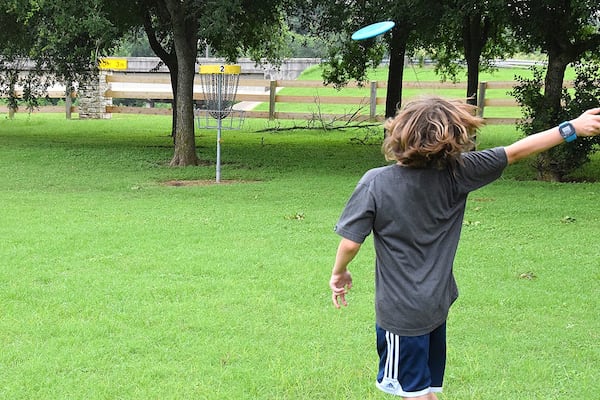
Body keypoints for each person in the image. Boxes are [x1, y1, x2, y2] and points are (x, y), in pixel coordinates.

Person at [329, 96, 600, 400]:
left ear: (399, 132)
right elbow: (515, 152)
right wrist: (572, 127)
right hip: (437, 304)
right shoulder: (460, 172)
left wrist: (339, 273)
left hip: (402, 315)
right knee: (422, 389)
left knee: (412, 393)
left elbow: (351, 242)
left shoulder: (375, 182)